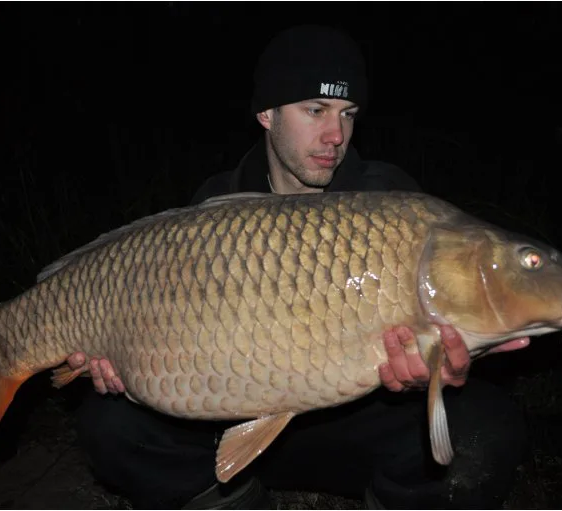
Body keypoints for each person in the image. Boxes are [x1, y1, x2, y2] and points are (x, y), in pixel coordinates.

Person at [67, 24, 529, 509]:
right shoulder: (215, 206)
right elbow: (161, 333)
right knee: (110, 424)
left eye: (348, 114)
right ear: (266, 113)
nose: (336, 135)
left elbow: (439, 333)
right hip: (228, 416)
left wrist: (434, 372)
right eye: (315, 110)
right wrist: (122, 360)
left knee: (486, 429)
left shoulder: (388, 202)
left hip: (353, 426)